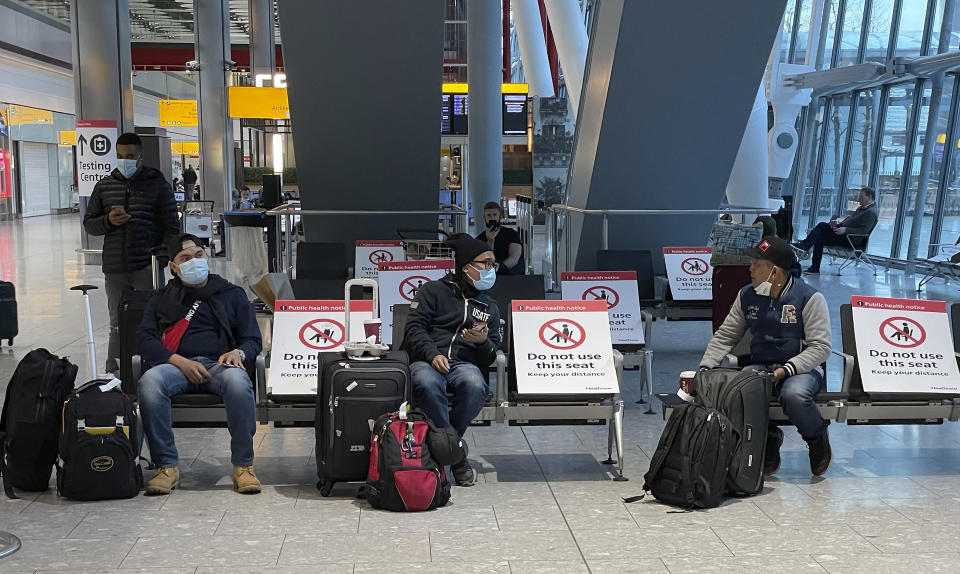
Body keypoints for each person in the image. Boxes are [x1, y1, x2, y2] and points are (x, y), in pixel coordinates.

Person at [136, 234, 263, 495]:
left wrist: (238, 353)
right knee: (149, 382)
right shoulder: (163, 298)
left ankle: (243, 466)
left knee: (238, 383)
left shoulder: (231, 294)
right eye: (185, 258)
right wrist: (178, 361)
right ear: (173, 266)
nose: (194, 262)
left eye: (199, 255)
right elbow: (144, 339)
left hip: (220, 365)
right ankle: (166, 467)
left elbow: (252, 339)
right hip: (176, 366)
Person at [699, 236, 833, 477]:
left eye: (756, 264)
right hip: (761, 364)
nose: (750, 268)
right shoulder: (747, 295)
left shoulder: (810, 299)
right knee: (742, 391)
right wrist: (705, 367)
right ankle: (769, 438)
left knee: (794, 394)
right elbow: (726, 335)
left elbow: (820, 347)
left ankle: (816, 436)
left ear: (774, 271)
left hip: (802, 367)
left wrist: (788, 369)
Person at [403, 235, 502, 487]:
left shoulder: (489, 305)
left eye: (493, 265)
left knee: (476, 384)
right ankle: (457, 458)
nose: (491, 270)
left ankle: (445, 448)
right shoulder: (432, 291)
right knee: (426, 381)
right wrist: (432, 354)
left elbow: (492, 355)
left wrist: (483, 343)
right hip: (428, 359)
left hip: (463, 364)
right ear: (467, 266)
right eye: (486, 264)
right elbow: (414, 328)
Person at [83, 132, 180, 375]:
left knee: (151, 318)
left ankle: (153, 365)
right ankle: (115, 372)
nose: (124, 160)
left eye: (129, 156)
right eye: (119, 156)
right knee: (116, 322)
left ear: (140, 156)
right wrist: (109, 221)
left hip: (146, 267)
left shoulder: (157, 185)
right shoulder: (104, 186)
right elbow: (90, 223)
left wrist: (157, 260)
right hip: (115, 268)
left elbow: (172, 228)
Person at [793, 187, 878, 274]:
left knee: (820, 237)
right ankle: (806, 252)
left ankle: (805, 249)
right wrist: (840, 223)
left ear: (870, 197)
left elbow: (863, 231)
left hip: (850, 239)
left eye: (861, 197)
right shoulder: (862, 209)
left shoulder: (870, 213)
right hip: (843, 233)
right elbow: (854, 222)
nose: (858, 199)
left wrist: (845, 229)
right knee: (822, 226)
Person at [476, 201, 524, 275]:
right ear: (484, 217)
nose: (492, 217)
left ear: (500, 216)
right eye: (489, 215)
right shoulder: (479, 239)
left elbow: (514, 259)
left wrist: (498, 268)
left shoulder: (511, 234)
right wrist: (490, 241)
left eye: (495, 215)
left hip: (511, 276)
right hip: (489, 278)